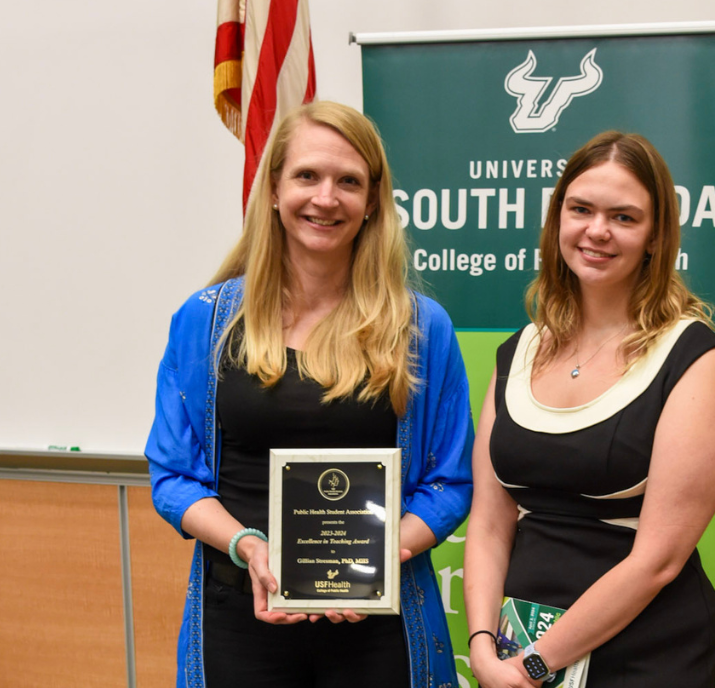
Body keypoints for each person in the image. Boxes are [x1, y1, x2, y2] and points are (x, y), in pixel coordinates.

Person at [145, 101, 473, 688]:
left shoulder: (421, 328)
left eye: (349, 181)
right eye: (307, 176)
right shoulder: (204, 321)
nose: (327, 198)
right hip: (240, 618)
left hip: (379, 627)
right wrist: (248, 546)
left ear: (373, 200)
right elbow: (173, 477)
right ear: (273, 189)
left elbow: (449, 482)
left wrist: (375, 560)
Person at [463, 131, 715, 687]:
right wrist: (483, 648)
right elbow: (491, 524)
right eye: (580, 209)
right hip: (519, 643)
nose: (597, 231)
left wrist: (538, 664)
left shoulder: (692, 356)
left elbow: (658, 559)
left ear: (656, 236)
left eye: (624, 217)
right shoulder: (519, 351)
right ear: (557, 219)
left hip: (643, 653)